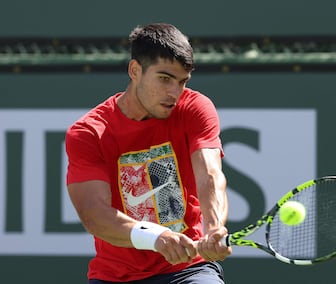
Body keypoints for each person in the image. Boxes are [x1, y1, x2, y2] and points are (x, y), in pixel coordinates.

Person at [65, 22, 232, 283]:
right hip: (115, 277)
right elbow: (94, 215)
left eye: (182, 82)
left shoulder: (195, 108)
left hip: (188, 271)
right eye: (164, 79)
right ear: (135, 70)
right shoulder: (89, 132)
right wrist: (157, 238)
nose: (174, 93)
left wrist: (213, 228)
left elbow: (210, 174)